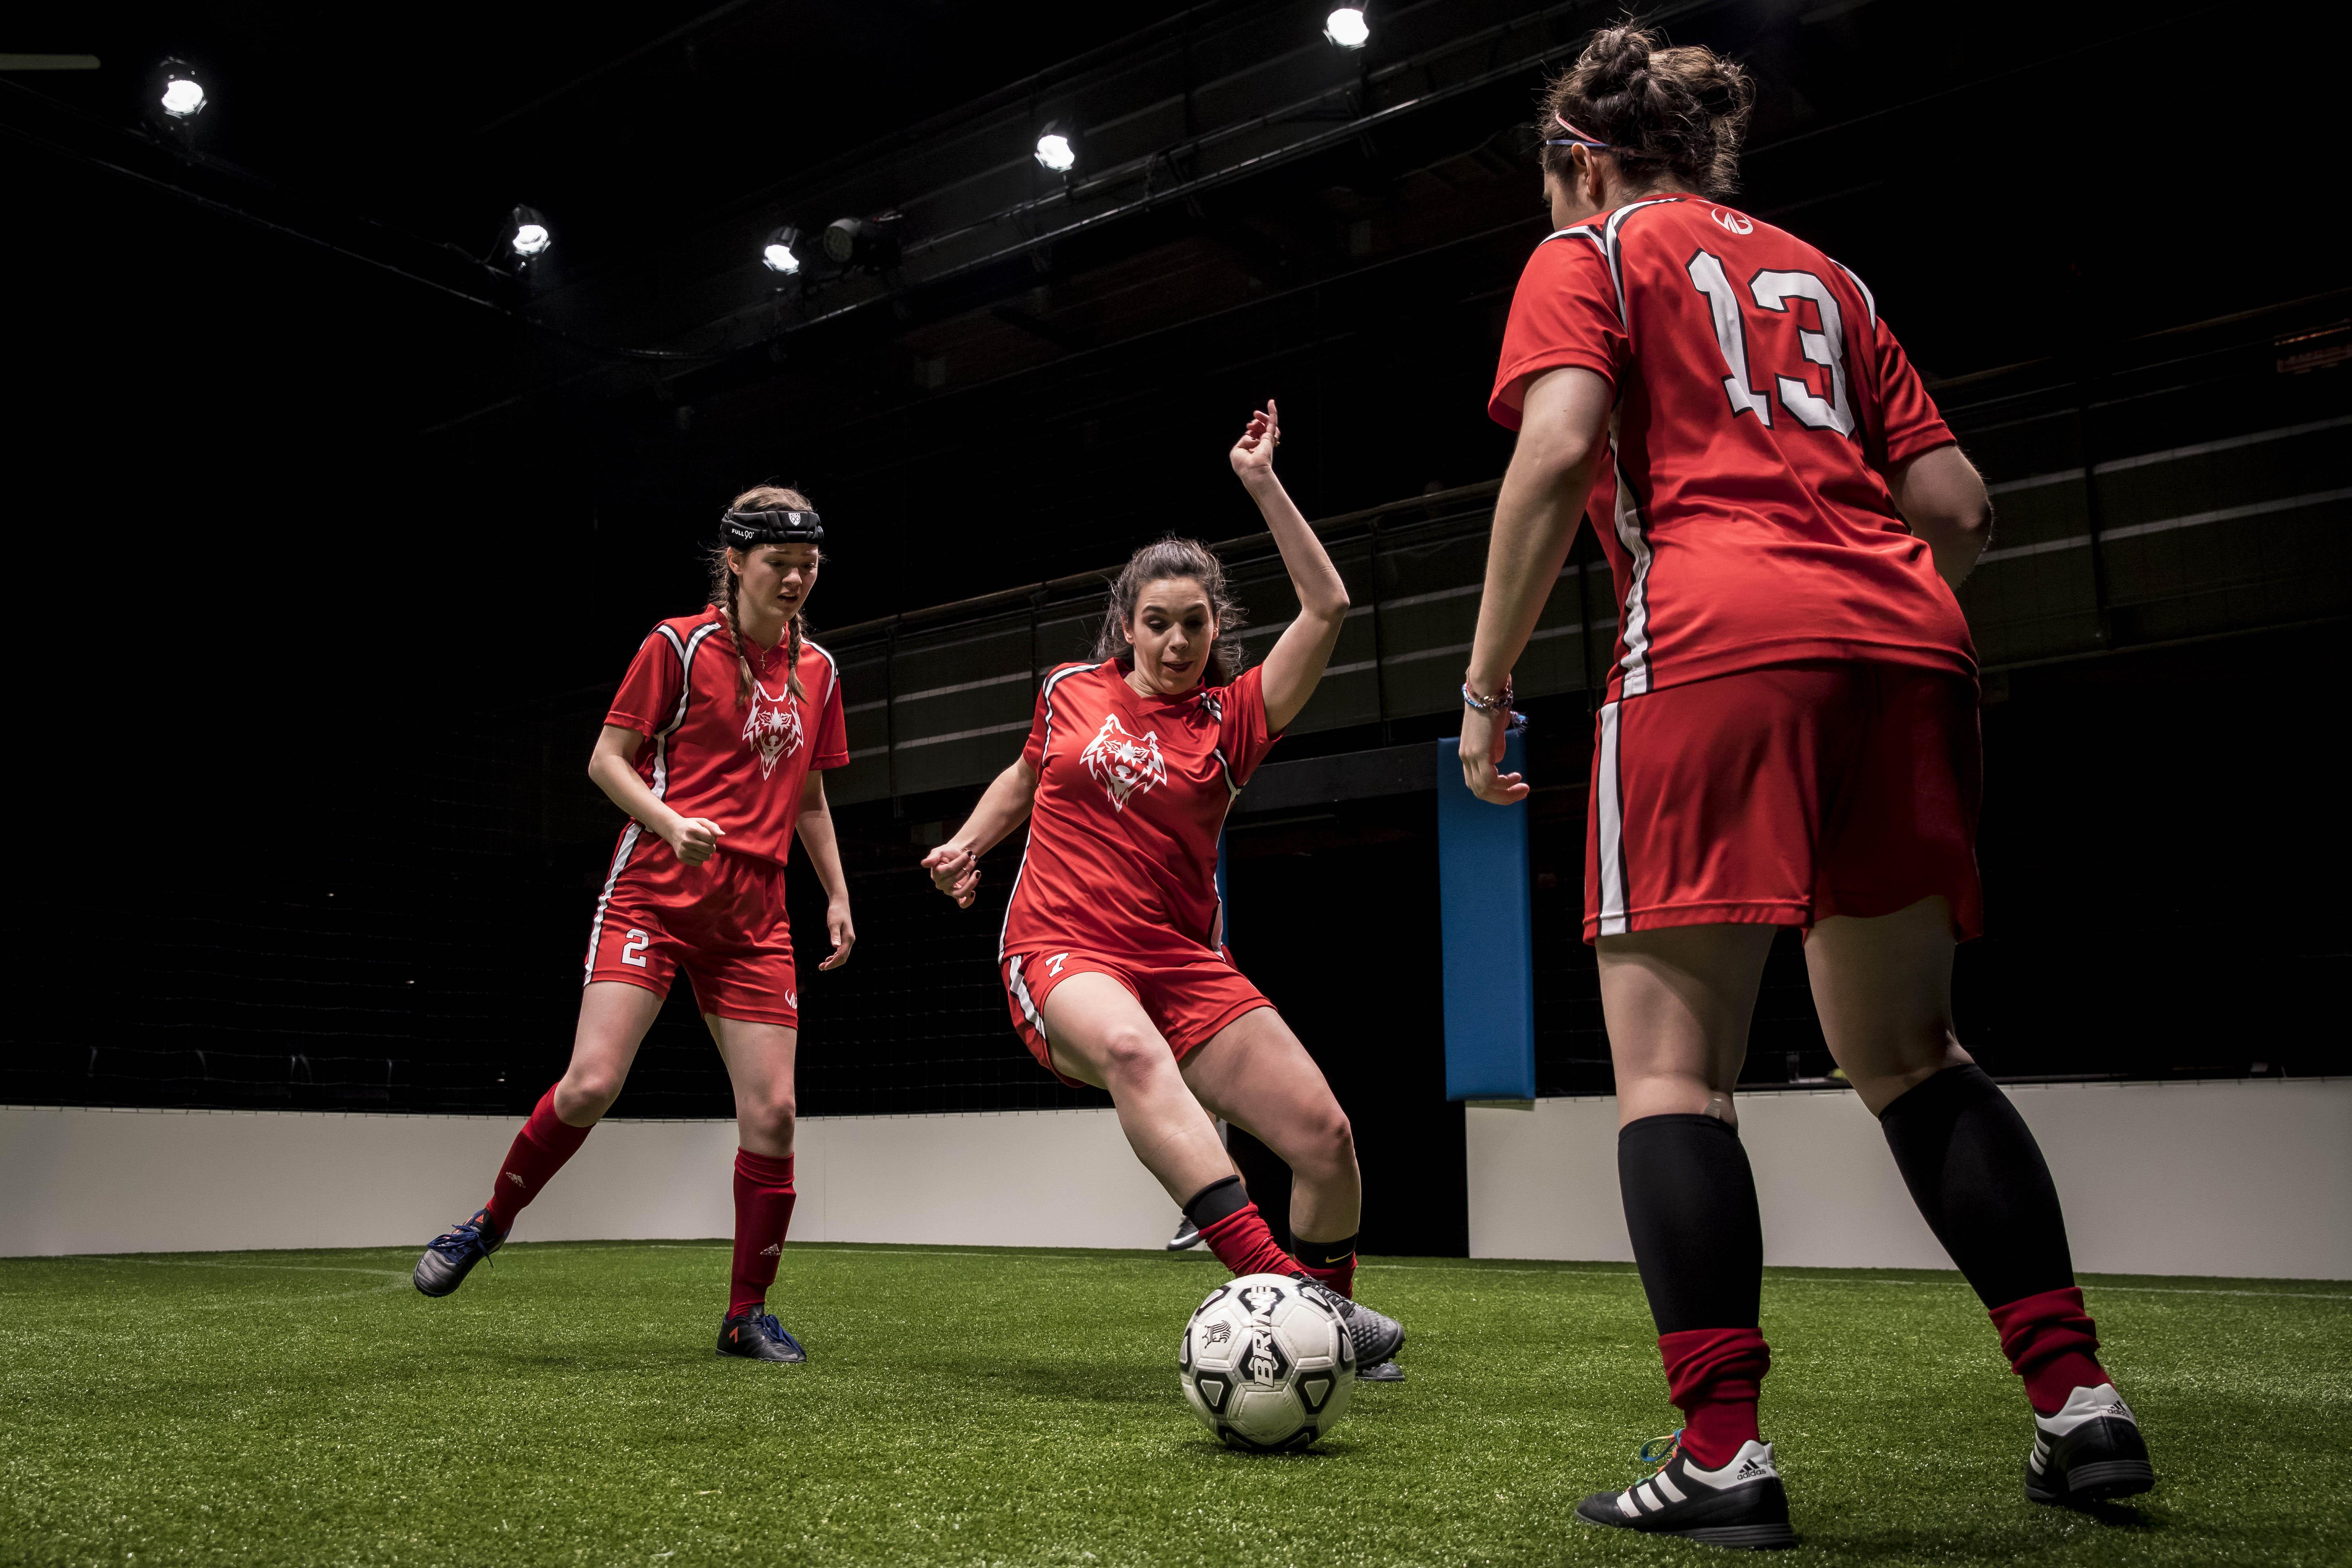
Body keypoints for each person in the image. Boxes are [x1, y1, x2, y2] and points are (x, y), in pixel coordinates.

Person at [1460, 26, 2153, 1545]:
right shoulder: (1822, 276)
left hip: (1709, 640)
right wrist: (1857, 600)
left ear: (1578, 156)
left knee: (1671, 1072)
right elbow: (1955, 505)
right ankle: (2075, 1401)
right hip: (1906, 640)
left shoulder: (1586, 251)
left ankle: (1720, 1452)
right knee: (1912, 1051)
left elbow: (1563, 444)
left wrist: (1485, 679)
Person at [921, 403, 1407, 1380]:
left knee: (1326, 1138)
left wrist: (1262, 484)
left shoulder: (1232, 721)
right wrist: (967, 843)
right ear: (1126, 627)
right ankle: (1294, 1299)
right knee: (1135, 1050)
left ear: (1215, 626)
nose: (1178, 641)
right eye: (1158, 623)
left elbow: (1329, 610)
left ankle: (1328, 1338)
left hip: (1183, 960)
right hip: (1059, 951)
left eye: (1196, 623)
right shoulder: (1069, 689)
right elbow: (1026, 776)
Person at [411, 486, 854, 1366]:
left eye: (809, 563)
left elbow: (807, 790)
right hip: (654, 886)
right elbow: (604, 760)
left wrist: (836, 891)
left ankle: (744, 1315)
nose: (797, 578)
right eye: (779, 564)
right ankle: (488, 1222)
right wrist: (666, 819)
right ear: (734, 562)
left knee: (774, 1113)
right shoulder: (675, 645)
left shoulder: (821, 670)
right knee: (590, 1084)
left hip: (755, 911)